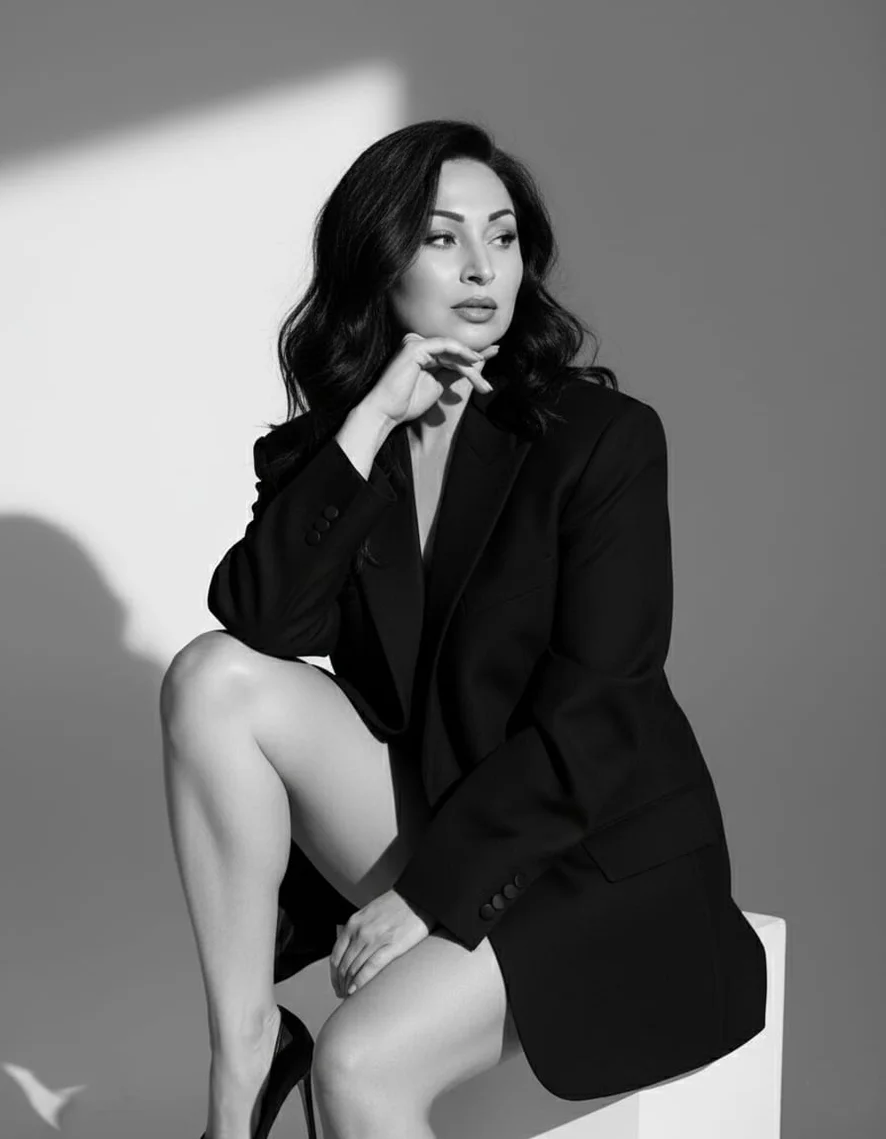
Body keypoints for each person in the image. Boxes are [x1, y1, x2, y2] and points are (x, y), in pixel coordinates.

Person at [160, 119, 768, 1139]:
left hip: (594, 854)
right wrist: (369, 421)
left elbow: (598, 712)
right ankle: (247, 1058)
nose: (484, 268)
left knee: (358, 1063)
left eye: (504, 236)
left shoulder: (601, 440)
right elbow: (262, 620)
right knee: (210, 676)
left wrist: (429, 897)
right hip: (448, 813)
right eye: (442, 238)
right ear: (380, 261)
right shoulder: (347, 449)